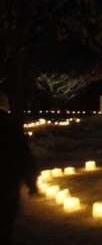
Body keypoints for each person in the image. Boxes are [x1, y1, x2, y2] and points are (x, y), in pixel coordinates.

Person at [0, 92, 38, 245]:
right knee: (6, 221)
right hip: (8, 181)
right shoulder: (12, 126)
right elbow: (25, 156)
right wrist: (31, 184)